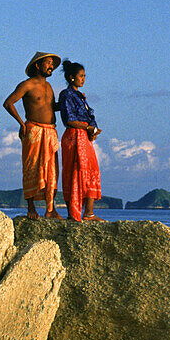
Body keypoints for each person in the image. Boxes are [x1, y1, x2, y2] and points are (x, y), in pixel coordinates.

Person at [3, 51, 62, 219]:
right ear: (38, 65)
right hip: (33, 130)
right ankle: (31, 208)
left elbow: (50, 107)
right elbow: (8, 103)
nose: (51, 67)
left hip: (50, 130)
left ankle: (50, 209)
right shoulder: (27, 85)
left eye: (52, 64)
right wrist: (21, 124)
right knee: (32, 167)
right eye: (48, 63)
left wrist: (67, 103)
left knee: (51, 170)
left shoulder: (50, 87)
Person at [58, 60, 104, 222]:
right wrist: (89, 129)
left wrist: (92, 130)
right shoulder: (66, 95)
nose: (83, 79)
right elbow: (69, 119)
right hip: (75, 135)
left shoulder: (79, 96)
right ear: (71, 77)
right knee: (74, 172)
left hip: (84, 136)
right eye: (81, 76)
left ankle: (88, 212)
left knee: (91, 170)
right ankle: (74, 213)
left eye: (84, 76)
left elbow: (89, 117)